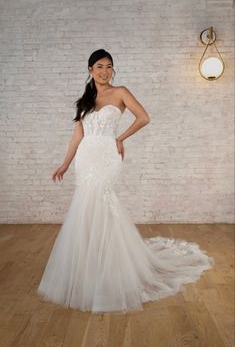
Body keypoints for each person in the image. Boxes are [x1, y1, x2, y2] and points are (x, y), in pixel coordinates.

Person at [37, 49, 214, 314]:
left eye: (109, 66)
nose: (105, 71)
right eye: (99, 66)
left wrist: (120, 138)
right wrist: (65, 163)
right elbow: (77, 136)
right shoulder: (84, 100)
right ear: (90, 70)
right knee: (85, 207)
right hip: (86, 159)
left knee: (101, 202)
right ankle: (89, 267)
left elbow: (144, 117)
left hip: (107, 156)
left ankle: (112, 268)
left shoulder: (120, 92)